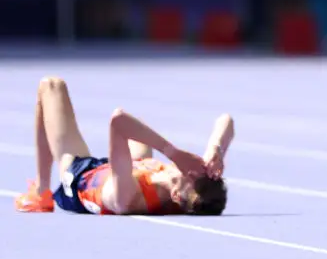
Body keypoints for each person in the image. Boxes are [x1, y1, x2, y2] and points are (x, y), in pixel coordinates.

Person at [14, 77, 232, 216]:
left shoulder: (127, 198)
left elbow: (118, 121)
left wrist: (173, 153)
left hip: (81, 175)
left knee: (52, 85)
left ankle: (41, 192)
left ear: (175, 195)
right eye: (203, 171)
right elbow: (226, 120)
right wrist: (216, 149)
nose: (191, 168)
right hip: (131, 168)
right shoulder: (194, 186)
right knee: (141, 133)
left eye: (189, 176)